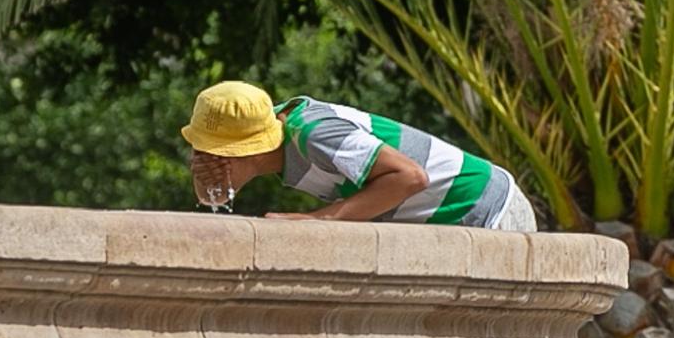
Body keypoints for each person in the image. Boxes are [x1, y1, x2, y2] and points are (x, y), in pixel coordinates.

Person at [181, 80, 536, 232]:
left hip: (486, 209)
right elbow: (214, 199)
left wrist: (320, 222)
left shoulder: (314, 133)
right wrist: (205, 179)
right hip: (460, 218)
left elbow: (410, 177)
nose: (205, 160)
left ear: (245, 151)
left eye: (213, 154)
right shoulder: (274, 127)